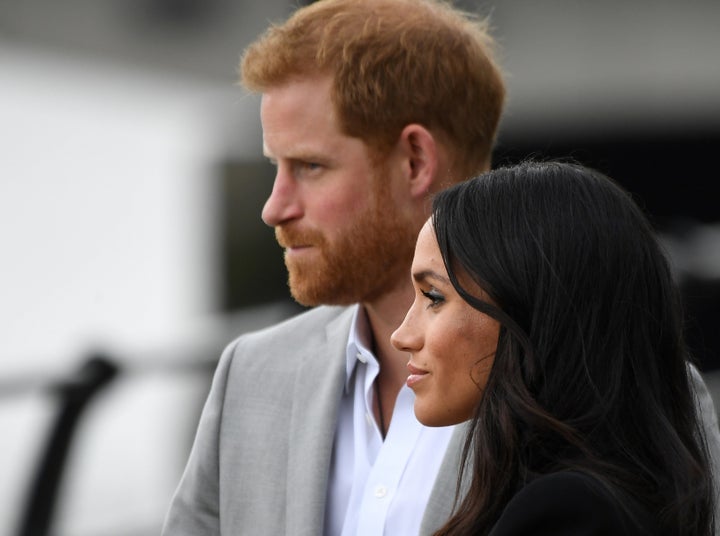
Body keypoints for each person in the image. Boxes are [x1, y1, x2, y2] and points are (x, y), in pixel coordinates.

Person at [161, 0, 720, 534]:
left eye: (310, 166)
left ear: (415, 160)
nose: (274, 206)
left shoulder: (621, 388)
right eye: (274, 168)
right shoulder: (251, 376)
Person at [391, 160, 715, 535]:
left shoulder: (567, 511)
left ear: (530, 308)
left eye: (433, 296)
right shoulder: (591, 496)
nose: (402, 335)